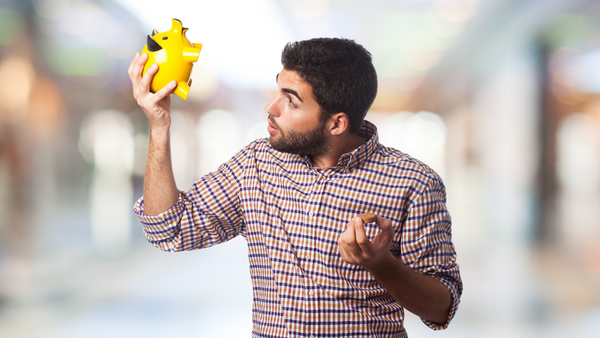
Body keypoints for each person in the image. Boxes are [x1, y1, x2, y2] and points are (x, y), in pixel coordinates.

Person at [128, 37, 462, 338]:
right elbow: (168, 229)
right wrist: (160, 127)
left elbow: (440, 309)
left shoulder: (414, 183)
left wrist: (380, 262)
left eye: (291, 101)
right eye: (278, 91)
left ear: (336, 123)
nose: (271, 109)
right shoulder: (256, 164)